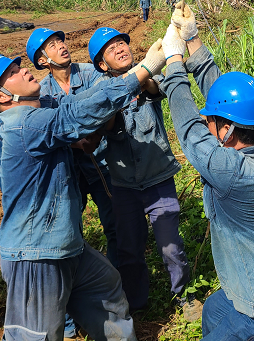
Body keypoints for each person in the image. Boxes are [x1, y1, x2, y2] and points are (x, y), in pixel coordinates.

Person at [0, 40, 167, 341]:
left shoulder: (42, 111)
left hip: (65, 244)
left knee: (108, 289)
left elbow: (82, 102)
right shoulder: (21, 123)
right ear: (2, 95)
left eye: (19, 66)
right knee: (36, 335)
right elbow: (77, 115)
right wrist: (146, 69)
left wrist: (135, 72)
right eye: (12, 73)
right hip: (36, 253)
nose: (25, 71)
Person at [160, 5, 254, 340]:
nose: (206, 123)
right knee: (214, 311)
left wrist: (174, 63)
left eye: (211, 122)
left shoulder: (232, 172)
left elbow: (188, 129)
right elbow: (228, 101)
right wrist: (193, 40)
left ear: (228, 131)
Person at [27, 27, 120, 341]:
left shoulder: (91, 74)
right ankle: (67, 318)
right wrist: (72, 142)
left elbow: (107, 104)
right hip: (68, 173)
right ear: (42, 59)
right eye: (52, 45)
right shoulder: (41, 92)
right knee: (66, 239)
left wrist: (93, 135)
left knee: (115, 227)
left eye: (61, 41)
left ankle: (117, 296)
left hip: (102, 163)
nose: (61, 47)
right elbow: (46, 130)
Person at [87, 27, 189, 313]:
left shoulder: (147, 78)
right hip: (124, 186)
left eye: (122, 43)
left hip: (158, 179)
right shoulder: (101, 92)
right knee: (129, 250)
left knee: (171, 248)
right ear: (102, 65)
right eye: (112, 48)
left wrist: (144, 74)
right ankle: (135, 303)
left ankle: (184, 297)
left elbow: (157, 89)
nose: (121, 49)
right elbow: (100, 120)